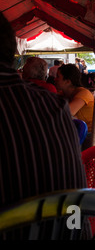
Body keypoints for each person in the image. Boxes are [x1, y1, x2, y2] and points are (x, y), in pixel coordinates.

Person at [0, 12, 86, 223]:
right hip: (71, 230)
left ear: (66, 80)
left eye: (58, 78)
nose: (54, 81)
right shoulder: (53, 103)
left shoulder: (67, 99)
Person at [55, 63, 95, 150]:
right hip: (80, 133)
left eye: (58, 77)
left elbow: (66, 113)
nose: (55, 79)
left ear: (68, 81)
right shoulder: (65, 94)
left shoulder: (83, 93)